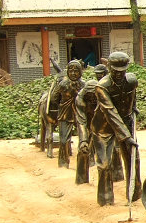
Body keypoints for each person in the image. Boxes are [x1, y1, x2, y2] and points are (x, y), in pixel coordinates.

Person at [79, 53, 141, 206]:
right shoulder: (102, 86)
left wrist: (133, 108)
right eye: (115, 71)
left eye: (122, 71)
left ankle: (134, 194)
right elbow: (110, 112)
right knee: (105, 164)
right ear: (109, 68)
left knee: (133, 158)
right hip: (104, 126)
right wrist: (126, 136)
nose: (119, 74)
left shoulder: (132, 81)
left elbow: (132, 96)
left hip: (125, 122)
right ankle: (105, 199)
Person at [74, 63, 109, 185]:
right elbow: (81, 121)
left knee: (106, 150)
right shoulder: (79, 99)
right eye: (89, 98)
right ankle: (82, 177)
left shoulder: (103, 96)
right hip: (87, 118)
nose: (92, 100)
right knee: (84, 147)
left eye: (94, 97)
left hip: (100, 120)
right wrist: (83, 139)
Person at [49, 60, 84, 167]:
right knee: (64, 140)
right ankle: (63, 162)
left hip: (80, 115)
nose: (73, 73)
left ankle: (84, 163)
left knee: (84, 141)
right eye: (71, 71)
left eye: (76, 71)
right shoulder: (62, 84)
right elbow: (54, 99)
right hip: (65, 114)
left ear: (80, 72)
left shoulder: (84, 85)